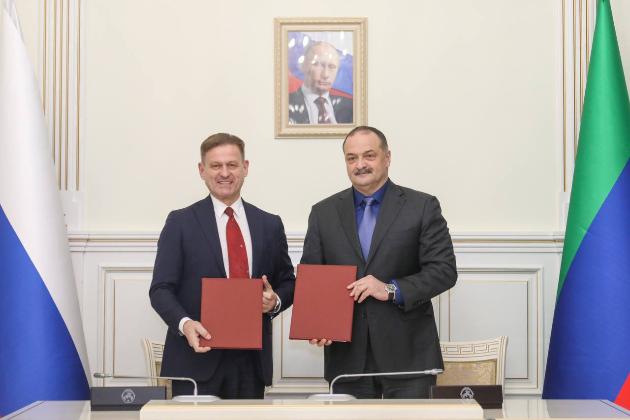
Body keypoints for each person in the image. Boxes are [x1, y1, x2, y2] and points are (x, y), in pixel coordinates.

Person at [300, 126, 457, 399]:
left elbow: (444, 271)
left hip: (409, 357)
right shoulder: (323, 212)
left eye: (369, 155)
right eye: (351, 158)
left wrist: (390, 289)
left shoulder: (421, 206)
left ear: (387, 157)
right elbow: (313, 278)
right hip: (347, 359)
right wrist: (318, 324)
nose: (360, 164)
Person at [149, 133, 295, 399]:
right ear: (202, 170)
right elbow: (160, 289)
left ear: (245, 168)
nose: (224, 173)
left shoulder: (269, 224)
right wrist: (184, 324)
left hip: (251, 364)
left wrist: (274, 301)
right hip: (195, 359)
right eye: (216, 166)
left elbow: (288, 282)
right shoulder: (180, 222)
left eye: (232, 165)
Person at [289, 41, 353, 124]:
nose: (325, 74)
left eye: (332, 67)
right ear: (303, 66)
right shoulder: (284, 105)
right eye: (318, 64)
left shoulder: (351, 106)